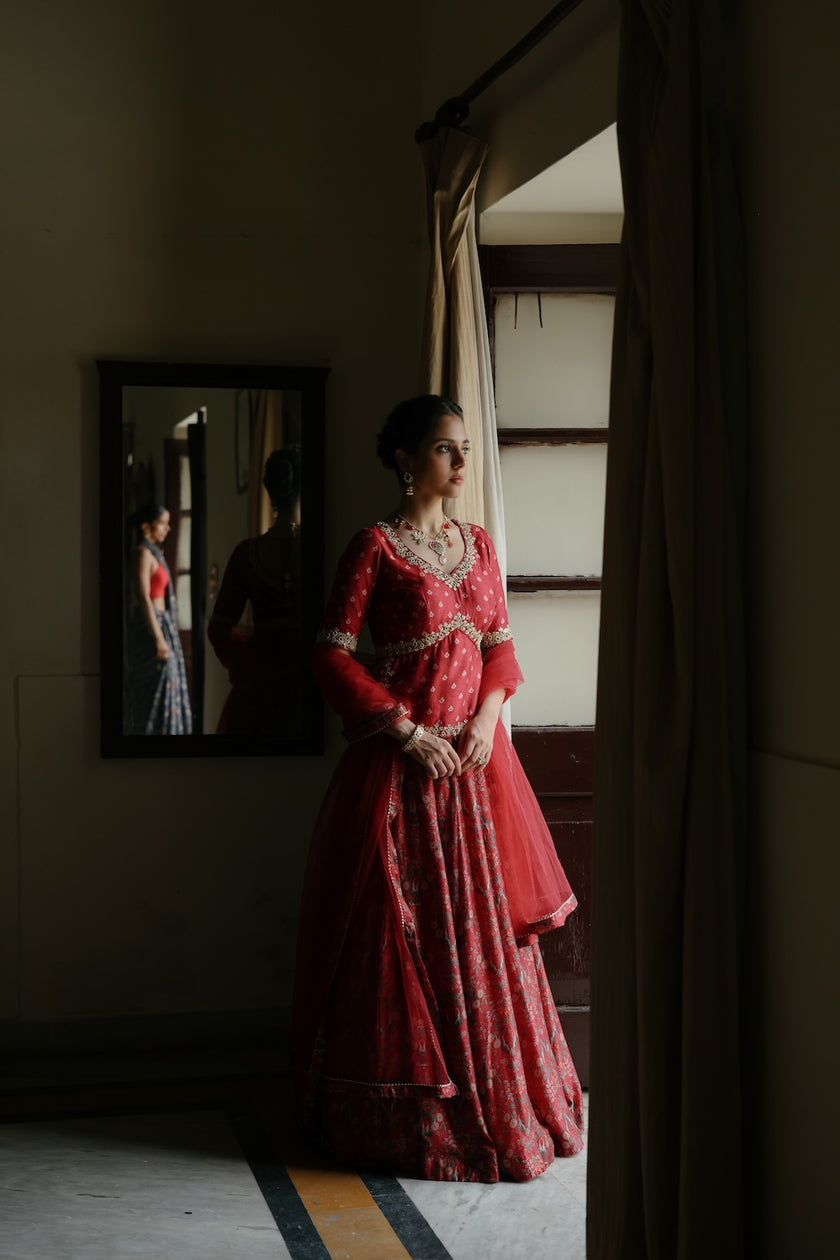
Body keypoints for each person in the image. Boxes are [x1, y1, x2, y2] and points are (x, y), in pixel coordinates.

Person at [292, 395, 584, 1183]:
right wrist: (406, 730)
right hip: (403, 774)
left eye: (463, 449)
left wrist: (488, 720)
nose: (462, 463)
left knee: (487, 939)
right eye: (447, 450)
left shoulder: (478, 547)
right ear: (405, 460)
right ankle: (409, 1115)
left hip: (474, 774)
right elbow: (331, 655)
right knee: (402, 939)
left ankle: (509, 1100)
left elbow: (501, 649)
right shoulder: (375, 549)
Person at [207, 448, 303, 734]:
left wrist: (251, 662)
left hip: (259, 691)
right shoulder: (328, 550)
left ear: (270, 492)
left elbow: (219, 630)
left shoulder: (246, 554)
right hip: (312, 681)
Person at [126, 504, 193, 736]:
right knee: (156, 686)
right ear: (146, 526)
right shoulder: (143, 554)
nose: (168, 528)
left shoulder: (154, 553)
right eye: (163, 522)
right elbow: (143, 597)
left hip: (162, 624)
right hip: (152, 627)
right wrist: (159, 639)